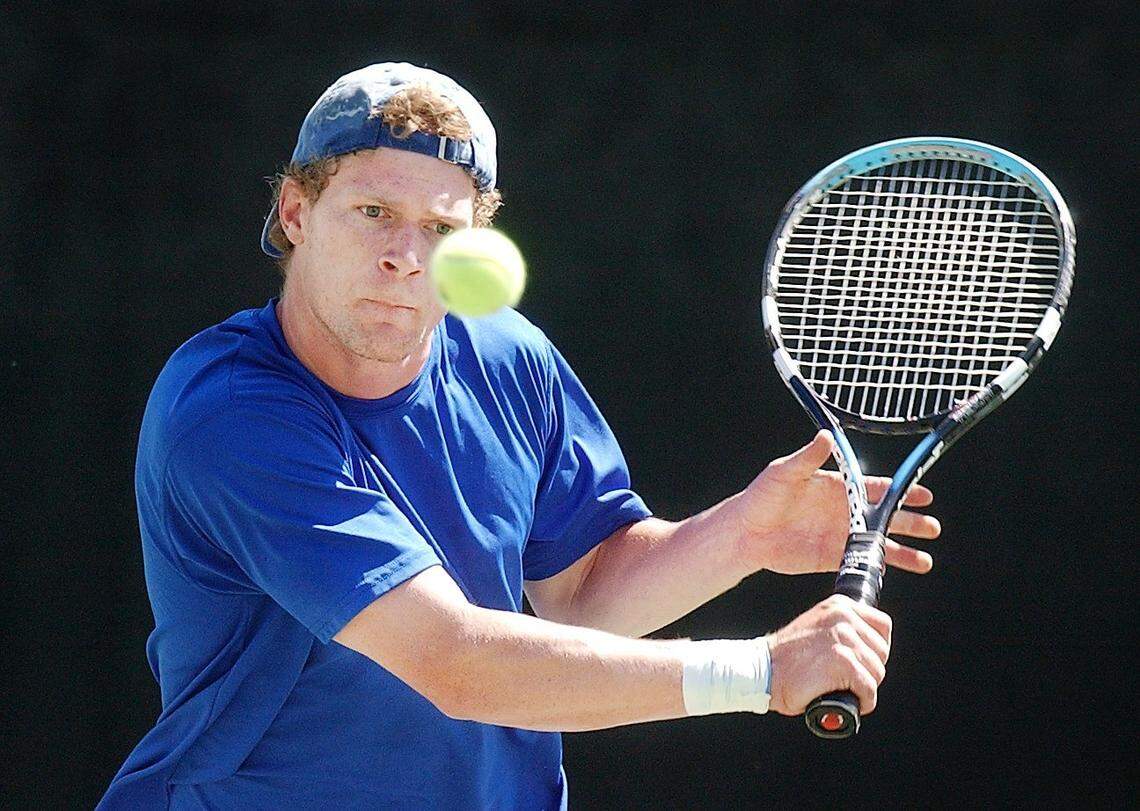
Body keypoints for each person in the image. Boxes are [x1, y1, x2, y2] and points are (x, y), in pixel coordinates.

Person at [99, 62, 939, 810]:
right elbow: (453, 661)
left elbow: (584, 596)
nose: (405, 256)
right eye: (373, 211)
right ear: (296, 212)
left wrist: (741, 535)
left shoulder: (505, 355)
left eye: (441, 228)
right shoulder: (229, 411)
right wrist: (762, 671)